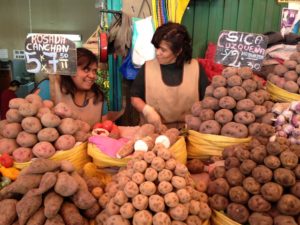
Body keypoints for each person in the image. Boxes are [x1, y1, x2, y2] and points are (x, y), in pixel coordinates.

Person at [130, 22, 209, 130]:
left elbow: (207, 100)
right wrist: (147, 110)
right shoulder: (148, 68)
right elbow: (135, 97)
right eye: (156, 47)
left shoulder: (196, 68)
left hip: (189, 132)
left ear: (178, 51)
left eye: (163, 50)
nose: (157, 53)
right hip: (154, 131)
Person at [38, 47, 113, 126]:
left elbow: (105, 127)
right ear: (70, 69)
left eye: (94, 71)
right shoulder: (49, 87)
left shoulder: (98, 97)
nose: (92, 75)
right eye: (86, 69)